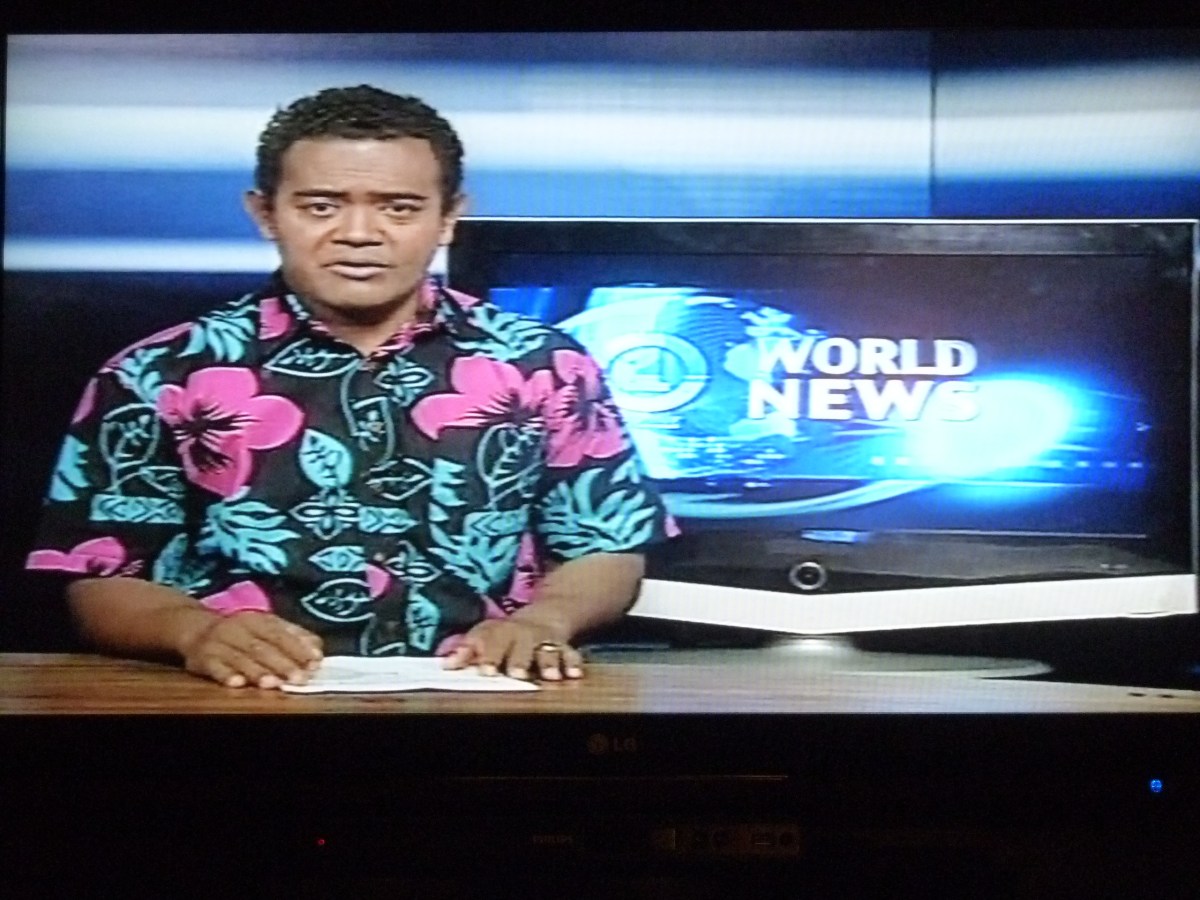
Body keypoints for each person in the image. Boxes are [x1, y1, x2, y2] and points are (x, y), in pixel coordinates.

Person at [25, 85, 676, 689]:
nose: (359, 234)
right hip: (243, 704)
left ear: (450, 217)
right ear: (264, 213)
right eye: (321, 206)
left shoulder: (544, 364)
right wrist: (196, 633)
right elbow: (98, 576)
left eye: (399, 208)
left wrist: (543, 622)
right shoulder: (156, 373)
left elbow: (607, 548)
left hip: (487, 700)